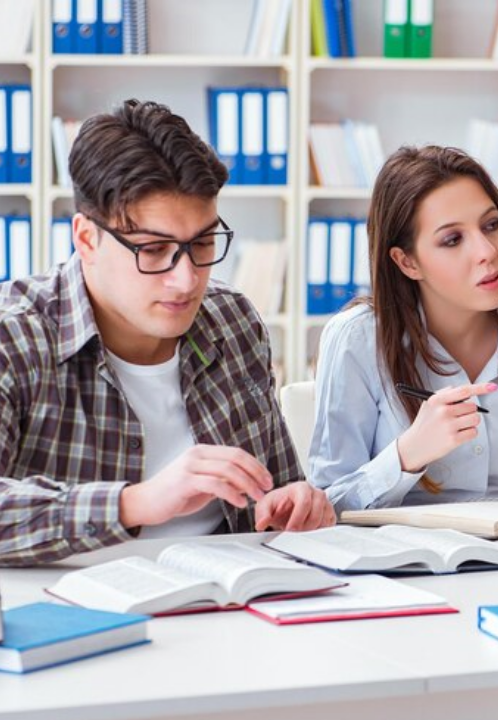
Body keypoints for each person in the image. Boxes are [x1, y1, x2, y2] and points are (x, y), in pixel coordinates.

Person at [0, 100, 335, 567]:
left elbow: (276, 496)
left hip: (231, 609)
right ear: (86, 239)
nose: (187, 279)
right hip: (70, 619)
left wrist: (295, 506)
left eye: (202, 243)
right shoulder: (13, 335)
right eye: (154, 250)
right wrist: (136, 503)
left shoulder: (233, 321)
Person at [309, 145, 498, 511]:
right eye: (452, 239)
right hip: (403, 559)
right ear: (407, 262)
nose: (487, 251)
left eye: (491, 225)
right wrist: (408, 454)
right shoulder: (356, 340)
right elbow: (326, 503)